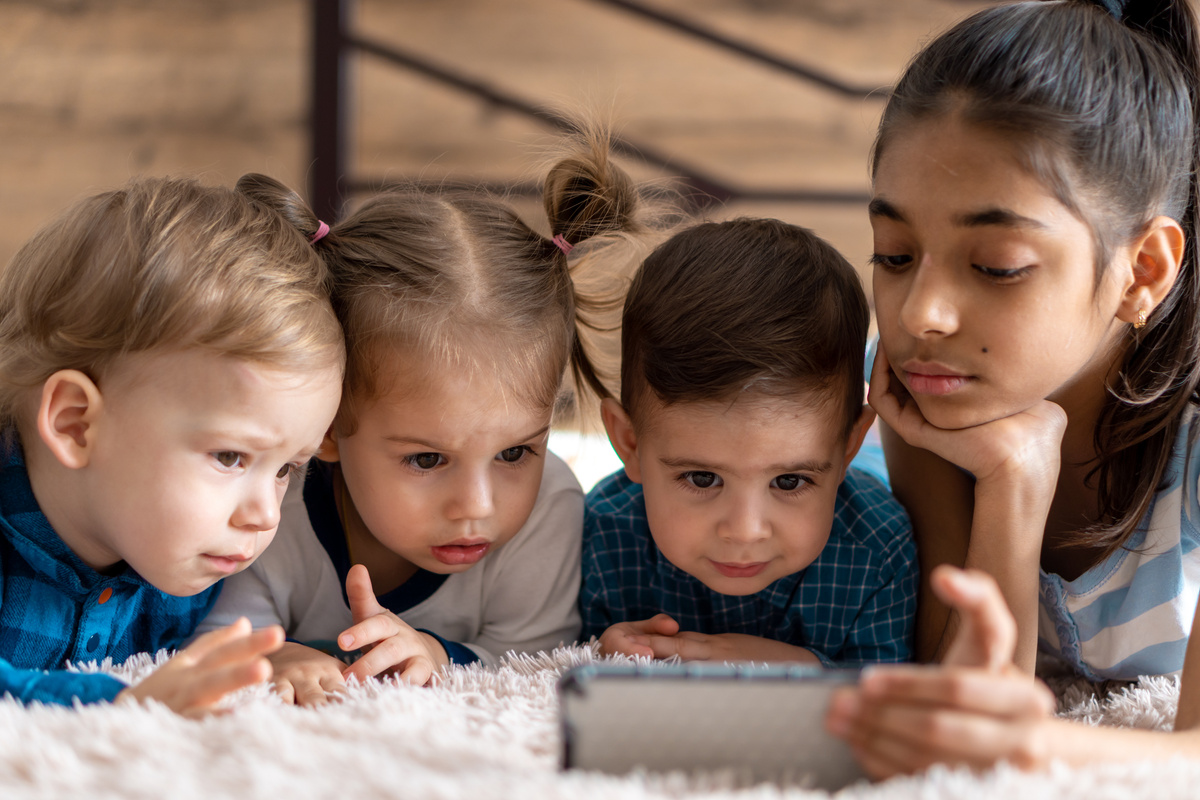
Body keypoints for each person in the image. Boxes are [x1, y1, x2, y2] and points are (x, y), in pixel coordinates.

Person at [823, 0, 1200, 775]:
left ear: (1145, 271)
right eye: (894, 254)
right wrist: (1014, 479)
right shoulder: (922, 384)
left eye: (996, 265)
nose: (920, 314)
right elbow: (955, 688)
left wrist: (1032, 748)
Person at [199, 131, 665, 705]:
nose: (478, 505)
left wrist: (439, 655)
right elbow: (206, 639)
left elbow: (537, 665)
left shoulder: (548, 510)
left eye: (515, 453)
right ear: (326, 429)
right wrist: (279, 654)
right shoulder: (271, 507)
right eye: (426, 458)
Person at [0, 175, 345, 712]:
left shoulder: (175, 552)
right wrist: (115, 702)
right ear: (75, 424)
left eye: (286, 470)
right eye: (230, 457)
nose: (264, 517)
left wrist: (273, 657)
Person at [580, 218, 918, 666]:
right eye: (702, 478)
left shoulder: (879, 548)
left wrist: (805, 671)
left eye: (789, 481)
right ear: (630, 444)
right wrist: (601, 650)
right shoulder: (603, 534)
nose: (744, 530)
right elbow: (550, 669)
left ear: (845, 450)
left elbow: (890, 703)